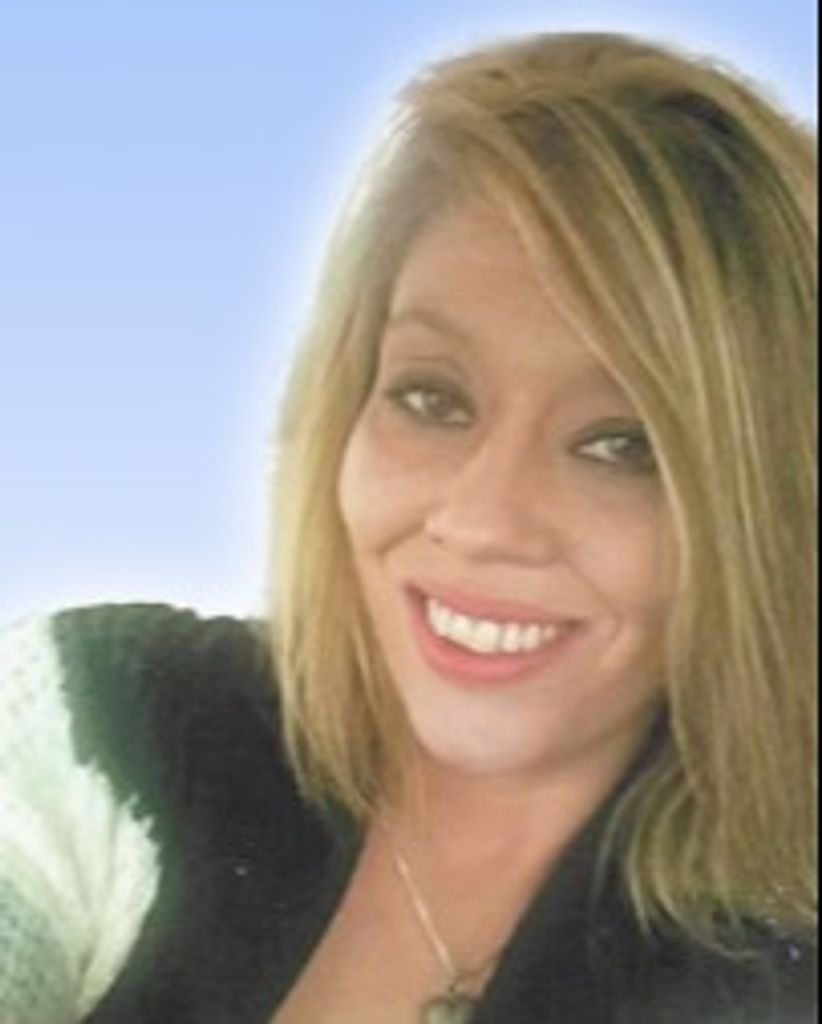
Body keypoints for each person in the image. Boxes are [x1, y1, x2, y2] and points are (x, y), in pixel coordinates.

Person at [0, 31, 816, 1024]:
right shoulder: (94, 718)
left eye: (621, 444)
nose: (480, 520)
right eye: (432, 399)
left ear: (766, 509)